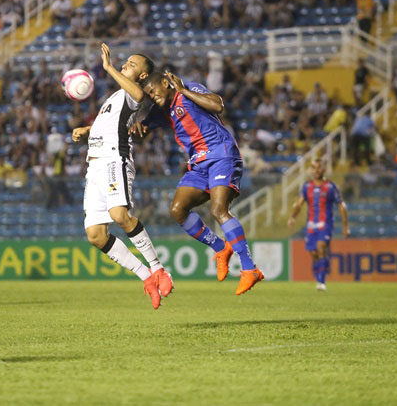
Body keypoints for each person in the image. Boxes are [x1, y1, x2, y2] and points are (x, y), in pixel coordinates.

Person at [138, 70, 264, 296]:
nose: (152, 96)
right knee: (177, 209)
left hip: (221, 153)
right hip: (198, 163)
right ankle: (220, 248)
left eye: (153, 90)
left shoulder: (188, 89)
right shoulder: (161, 111)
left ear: (166, 83)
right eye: (148, 94)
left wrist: (183, 89)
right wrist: (136, 128)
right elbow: (142, 129)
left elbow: (217, 105)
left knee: (218, 209)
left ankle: (249, 268)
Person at [71, 44, 172, 310]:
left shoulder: (131, 92)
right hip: (94, 166)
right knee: (95, 235)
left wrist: (108, 67)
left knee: (120, 215)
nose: (126, 63)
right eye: (125, 61)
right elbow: (111, 124)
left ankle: (158, 268)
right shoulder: (115, 97)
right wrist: (88, 130)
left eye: (132, 63)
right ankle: (146, 277)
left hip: (115, 159)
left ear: (141, 75)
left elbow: (139, 95)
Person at [286, 159, 349, 291]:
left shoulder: (331, 187)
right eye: (314, 168)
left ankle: (321, 282)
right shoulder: (307, 186)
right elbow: (299, 204)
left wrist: (345, 226)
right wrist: (292, 217)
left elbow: (342, 206)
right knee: (313, 253)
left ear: (324, 169)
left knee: (321, 248)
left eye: (319, 168)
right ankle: (320, 275)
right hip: (311, 225)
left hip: (325, 224)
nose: (316, 171)